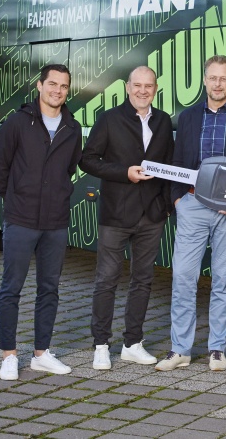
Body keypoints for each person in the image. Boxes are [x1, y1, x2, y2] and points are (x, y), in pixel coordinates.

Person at [155, 55, 226, 373]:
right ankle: (180, 349)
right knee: (183, 278)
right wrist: (177, 200)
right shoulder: (188, 117)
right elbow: (177, 162)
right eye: (213, 78)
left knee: (222, 281)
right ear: (205, 80)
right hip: (192, 205)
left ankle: (217, 349)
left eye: (224, 78)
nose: (218, 83)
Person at [0, 64, 83, 381]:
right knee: (11, 288)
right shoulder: (18, 123)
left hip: (55, 221)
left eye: (64, 86)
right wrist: (17, 199)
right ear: (39, 86)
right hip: (21, 218)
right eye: (52, 84)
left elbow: (68, 169)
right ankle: (9, 355)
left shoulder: (73, 128)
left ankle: (41, 353)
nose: (58, 90)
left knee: (49, 289)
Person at [80, 65, 174, 371]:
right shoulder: (108, 119)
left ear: (155, 89)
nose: (143, 90)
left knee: (143, 280)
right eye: (137, 85)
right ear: (127, 87)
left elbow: (169, 165)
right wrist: (124, 173)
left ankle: (133, 343)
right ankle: (101, 345)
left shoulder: (162, 121)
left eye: (149, 86)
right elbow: (88, 161)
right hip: (116, 213)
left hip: (152, 214)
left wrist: (166, 203)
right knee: (106, 280)